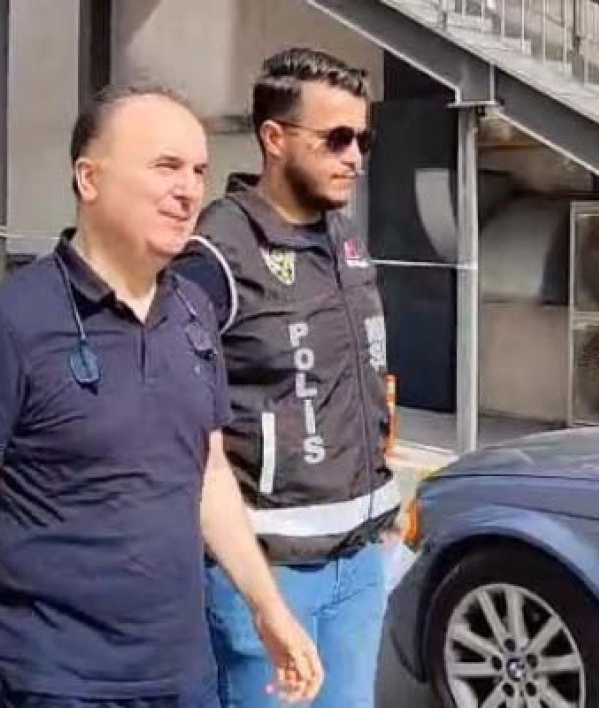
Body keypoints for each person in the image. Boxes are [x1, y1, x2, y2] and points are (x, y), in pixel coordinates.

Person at [0, 84, 324, 708]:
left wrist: (268, 608)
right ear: (89, 179)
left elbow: (208, 473)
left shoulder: (195, 313)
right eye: (165, 166)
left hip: (180, 676)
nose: (189, 190)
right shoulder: (7, 324)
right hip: (50, 678)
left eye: (199, 170)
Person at [171, 48, 397, 707]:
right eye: (336, 138)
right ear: (274, 138)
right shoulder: (215, 255)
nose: (354, 157)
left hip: (360, 561)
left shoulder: (343, 238)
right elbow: (174, 421)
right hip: (268, 573)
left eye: (363, 140)